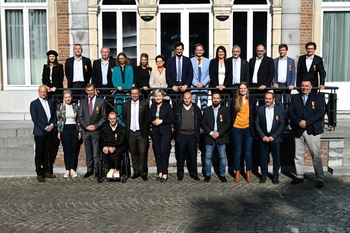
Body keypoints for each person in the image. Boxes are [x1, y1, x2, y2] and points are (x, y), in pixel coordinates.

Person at [288, 78, 325, 188]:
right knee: (298, 155)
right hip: (298, 129)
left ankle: (320, 178)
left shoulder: (318, 98)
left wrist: (307, 122)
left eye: (307, 86)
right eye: (303, 86)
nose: (304, 88)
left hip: (312, 130)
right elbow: (290, 112)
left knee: (316, 155)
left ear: (311, 86)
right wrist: (299, 121)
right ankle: (299, 175)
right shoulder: (295, 98)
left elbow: (320, 113)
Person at [255, 92, 285, 184]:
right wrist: (263, 136)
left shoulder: (279, 110)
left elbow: (282, 124)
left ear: (273, 99)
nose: (267, 100)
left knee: (276, 158)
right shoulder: (260, 109)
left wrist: (273, 136)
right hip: (263, 138)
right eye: (266, 99)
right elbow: (257, 123)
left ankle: (275, 176)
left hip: (275, 139)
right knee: (263, 157)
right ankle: (264, 175)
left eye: (269, 99)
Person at [78, 83, 107, 178]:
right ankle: (89, 169)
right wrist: (86, 126)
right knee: (88, 151)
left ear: (94, 90)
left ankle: (97, 170)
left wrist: (95, 126)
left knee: (96, 152)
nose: (90, 92)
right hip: (86, 131)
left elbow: (103, 117)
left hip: (96, 131)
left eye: (92, 90)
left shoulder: (100, 101)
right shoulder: (82, 102)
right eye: (88, 90)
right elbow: (80, 117)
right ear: (86, 91)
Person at [42, 50, 63, 174]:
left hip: (56, 91)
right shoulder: (45, 67)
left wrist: (55, 86)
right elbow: (44, 78)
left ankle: (55, 121)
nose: (51, 58)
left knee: (55, 107)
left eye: (53, 56)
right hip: (48, 91)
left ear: (55, 57)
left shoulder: (59, 67)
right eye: (50, 56)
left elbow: (60, 78)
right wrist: (47, 87)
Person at [201, 92, 231, 183]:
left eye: (217, 98)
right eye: (214, 98)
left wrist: (219, 133)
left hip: (221, 136)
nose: (215, 100)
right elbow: (203, 123)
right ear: (212, 99)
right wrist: (211, 133)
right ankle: (207, 174)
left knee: (222, 156)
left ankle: (222, 175)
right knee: (208, 156)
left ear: (220, 99)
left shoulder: (225, 110)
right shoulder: (206, 110)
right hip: (209, 136)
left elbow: (228, 123)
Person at [30, 85, 57, 182]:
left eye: (45, 91)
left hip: (50, 131)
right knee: (39, 153)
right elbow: (35, 119)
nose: (43, 93)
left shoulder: (50, 102)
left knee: (47, 152)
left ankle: (46, 170)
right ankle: (39, 173)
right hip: (40, 132)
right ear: (38, 92)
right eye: (41, 91)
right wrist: (45, 127)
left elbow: (54, 116)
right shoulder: (34, 103)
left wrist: (52, 125)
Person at [122, 87, 150, 181]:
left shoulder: (144, 104)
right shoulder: (126, 105)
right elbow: (124, 117)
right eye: (132, 93)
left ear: (139, 94)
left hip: (140, 132)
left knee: (143, 152)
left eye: (136, 93)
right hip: (130, 132)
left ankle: (144, 173)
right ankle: (136, 171)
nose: (134, 95)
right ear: (130, 94)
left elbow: (147, 118)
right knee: (133, 153)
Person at [231, 82, 256, 183]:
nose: (242, 90)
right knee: (237, 151)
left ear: (247, 89)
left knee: (248, 151)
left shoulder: (252, 100)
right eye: (241, 88)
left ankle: (248, 171)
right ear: (238, 90)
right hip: (237, 128)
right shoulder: (235, 100)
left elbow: (254, 115)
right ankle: (237, 171)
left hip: (248, 128)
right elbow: (231, 113)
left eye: (244, 88)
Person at [174, 92, 202, 181]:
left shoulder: (196, 108)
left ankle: (194, 174)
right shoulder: (178, 108)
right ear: (183, 98)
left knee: (193, 156)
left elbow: (199, 120)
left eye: (188, 98)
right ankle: (180, 174)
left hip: (192, 135)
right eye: (185, 98)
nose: (187, 100)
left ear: (191, 98)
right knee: (180, 156)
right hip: (181, 135)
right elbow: (174, 120)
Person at [148, 89, 174, 182]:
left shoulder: (167, 106)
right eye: (156, 96)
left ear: (162, 96)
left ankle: (165, 172)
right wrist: (153, 121)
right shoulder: (152, 106)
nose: (158, 98)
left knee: (164, 151)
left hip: (165, 132)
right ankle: (159, 172)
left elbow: (172, 118)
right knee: (157, 152)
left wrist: (162, 121)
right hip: (155, 132)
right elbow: (149, 118)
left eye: (159, 96)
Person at [56, 89, 81, 178]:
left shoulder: (75, 107)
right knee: (67, 150)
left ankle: (73, 169)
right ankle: (67, 169)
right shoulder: (60, 107)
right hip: (65, 128)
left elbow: (78, 120)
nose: (67, 99)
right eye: (66, 97)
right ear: (64, 98)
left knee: (74, 150)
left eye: (69, 97)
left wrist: (79, 131)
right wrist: (59, 131)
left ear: (71, 97)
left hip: (73, 128)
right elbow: (59, 120)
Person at [101, 111, 127, 179]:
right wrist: (105, 146)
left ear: (117, 118)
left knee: (118, 152)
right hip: (108, 146)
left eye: (114, 118)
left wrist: (114, 147)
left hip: (119, 146)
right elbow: (103, 139)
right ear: (108, 119)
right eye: (111, 118)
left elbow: (122, 141)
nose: (112, 120)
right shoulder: (105, 128)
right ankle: (110, 169)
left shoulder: (122, 128)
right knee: (105, 152)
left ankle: (117, 170)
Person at [112, 52, 134, 125]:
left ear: (125, 58)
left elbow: (130, 80)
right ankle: (121, 125)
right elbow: (114, 79)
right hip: (118, 93)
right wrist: (118, 86)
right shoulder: (115, 68)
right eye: (120, 58)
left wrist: (125, 88)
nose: (121, 60)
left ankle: (127, 126)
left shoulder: (130, 68)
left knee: (127, 111)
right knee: (119, 110)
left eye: (122, 58)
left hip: (127, 92)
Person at [272, 44, 296, 109]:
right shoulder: (274, 61)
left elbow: (293, 74)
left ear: (286, 51)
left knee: (287, 103)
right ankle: (278, 118)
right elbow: (272, 74)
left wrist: (291, 84)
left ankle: (286, 118)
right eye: (280, 50)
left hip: (287, 85)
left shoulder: (291, 61)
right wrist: (274, 83)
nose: (281, 52)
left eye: (283, 50)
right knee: (277, 103)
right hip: (278, 85)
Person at [190, 44, 210, 111]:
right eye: (198, 50)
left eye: (201, 50)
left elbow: (209, 74)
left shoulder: (208, 61)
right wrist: (196, 83)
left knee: (204, 106)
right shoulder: (190, 61)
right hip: (193, 88)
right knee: (193, 107)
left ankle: (203, 121)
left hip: (204, 87)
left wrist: (203, 83)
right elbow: (189, 74)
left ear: (203, 51)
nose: (199, 51)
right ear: (195, 51)